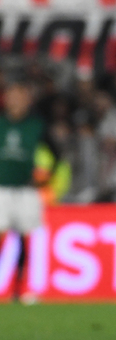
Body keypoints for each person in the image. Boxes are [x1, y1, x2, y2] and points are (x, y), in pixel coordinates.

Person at [0, 81, 54, 301]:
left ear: (27, 99)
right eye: (12, 95)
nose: (15, 100)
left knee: (25, 238)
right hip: (1, 189)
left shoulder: (37, 126)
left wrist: (44, 177)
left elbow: (55, 154)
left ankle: (19, 288)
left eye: (20, 95)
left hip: (26, 191)